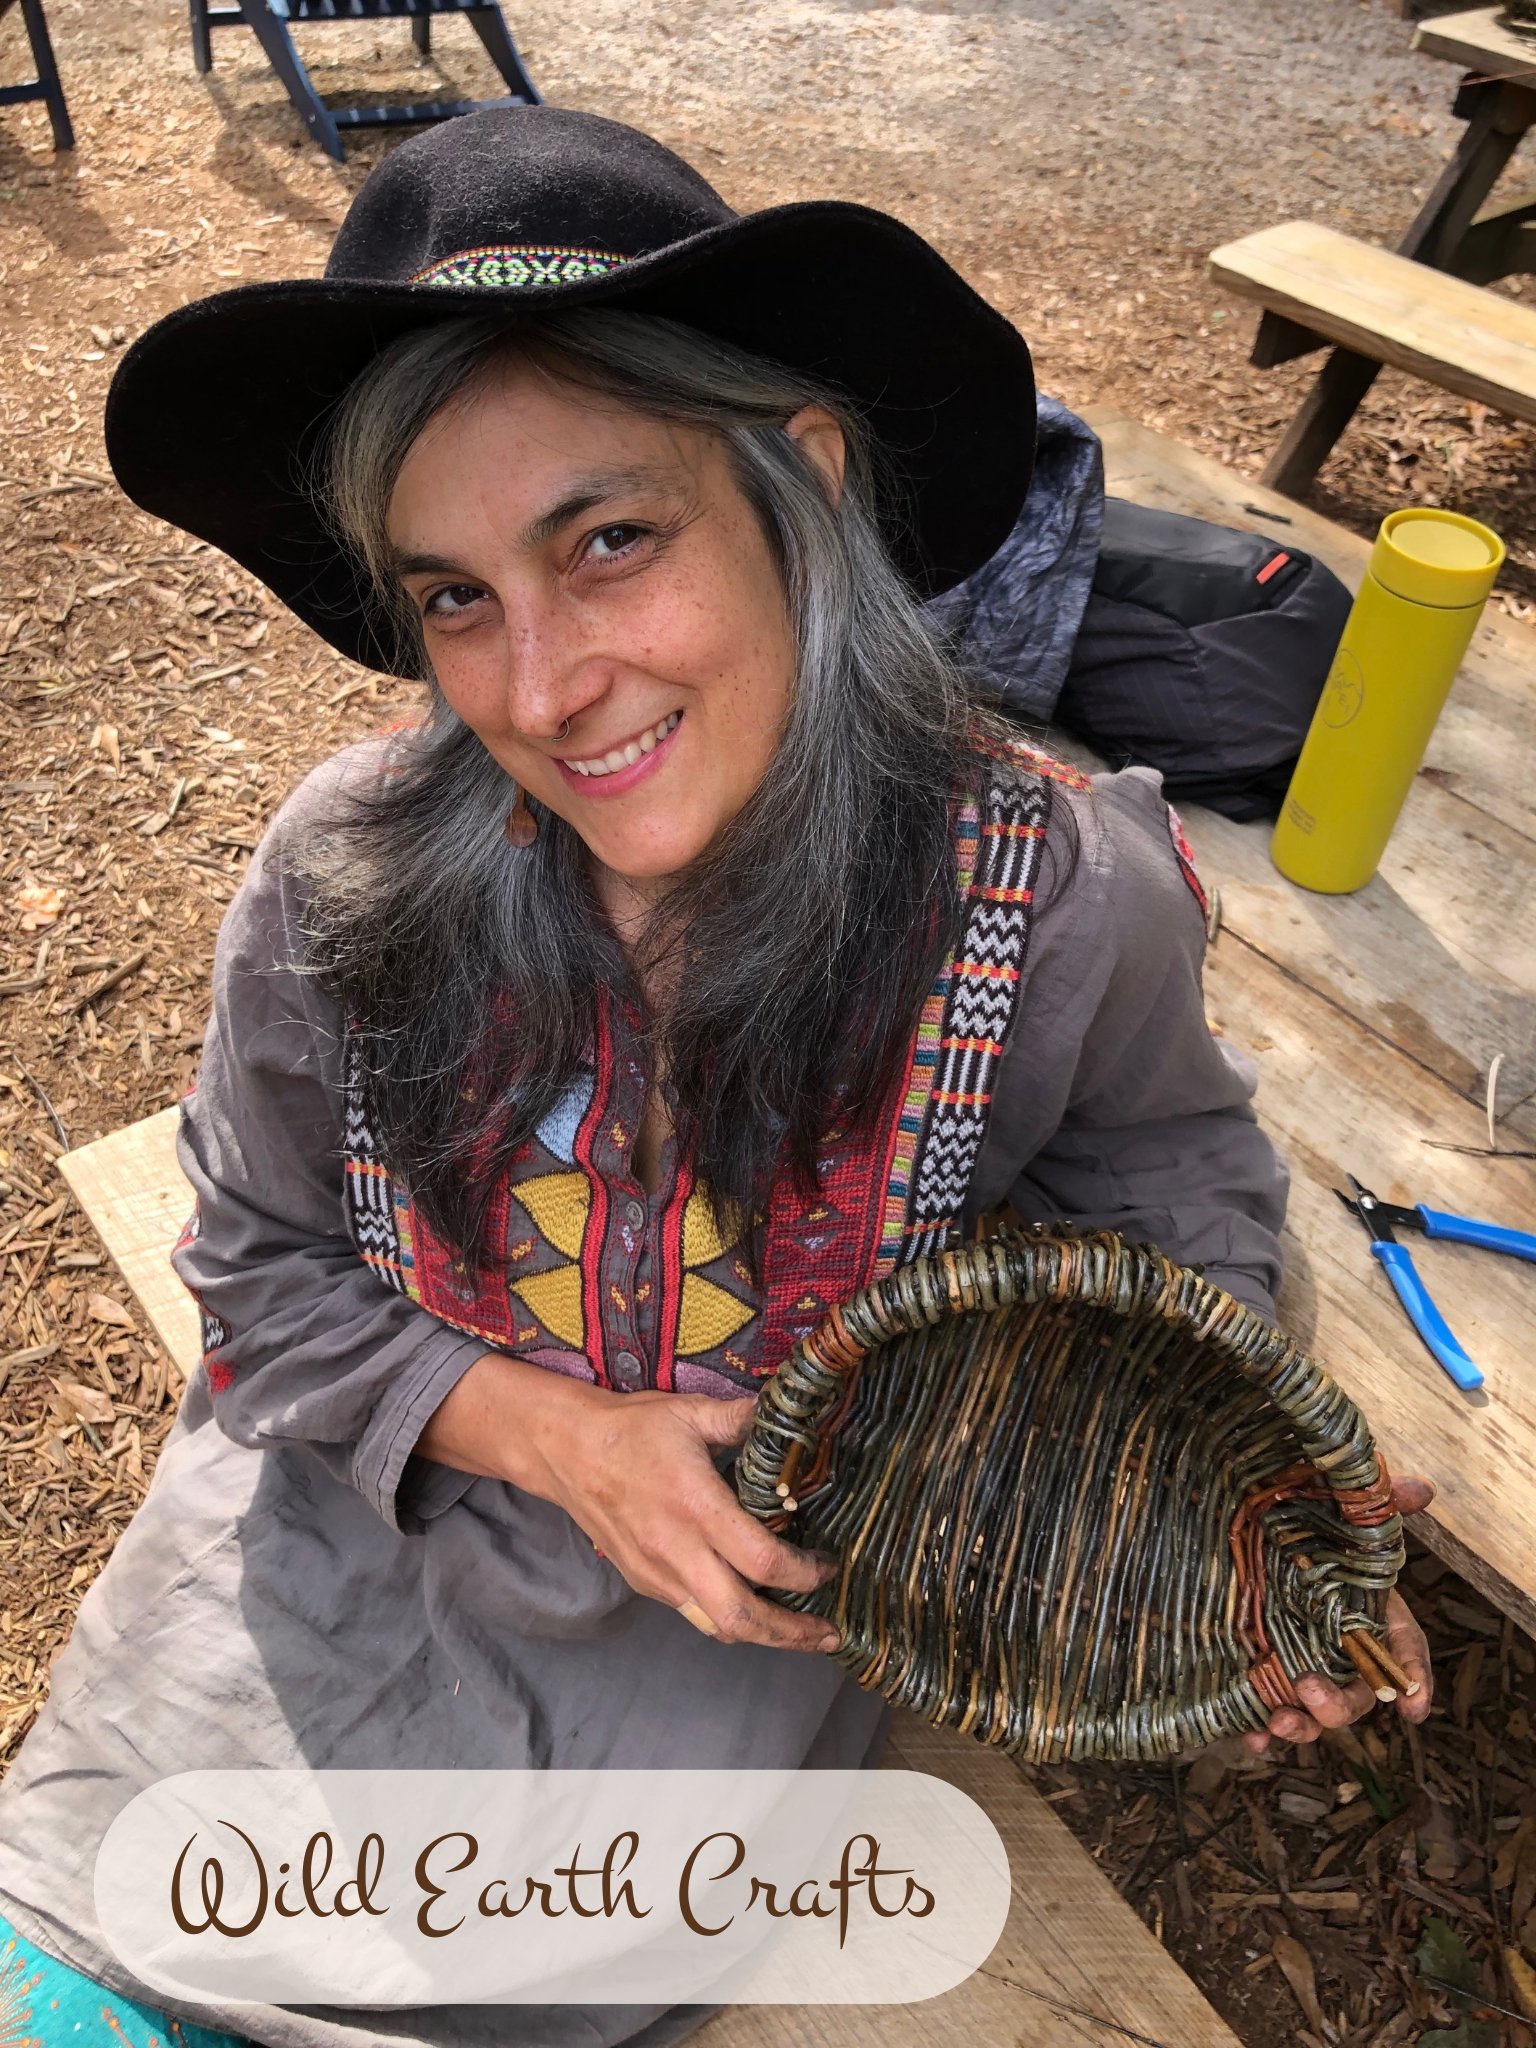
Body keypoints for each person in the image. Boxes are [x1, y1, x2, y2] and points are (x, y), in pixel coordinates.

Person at [0, 105, 1433, 2048]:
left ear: (802, 482)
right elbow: (260, 1267)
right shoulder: (342, 882)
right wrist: (556, 1434)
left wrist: (1218, 1481)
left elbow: (1168, 1167)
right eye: (455, 594)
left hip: (673, 1723)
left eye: (609, 540)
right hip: (293, 1629)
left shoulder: (1047, 896)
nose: (538, 686)